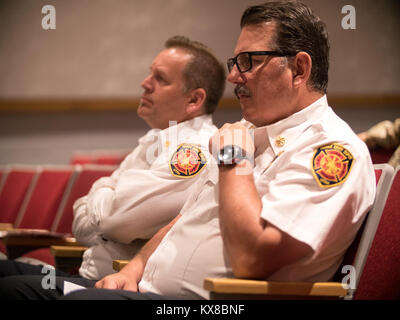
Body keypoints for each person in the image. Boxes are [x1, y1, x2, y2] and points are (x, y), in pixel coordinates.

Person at [8, 1, 378, 300]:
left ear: (299, 68)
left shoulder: (331, 150)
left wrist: (235, 160)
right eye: (236, 63)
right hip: (142, 289)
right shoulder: (247, 132)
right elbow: (183, 219)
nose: (234, 76)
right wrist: (136, 268)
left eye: (248, 61)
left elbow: (253, 258)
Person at [0, 35, 226, 299]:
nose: (145, 83)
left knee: (10, 289)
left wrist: (105, 191)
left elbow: (114, 222)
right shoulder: (153, 140)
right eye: (149, 74)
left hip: (121, 287)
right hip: (92, 277)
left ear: (194, 100)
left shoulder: (194, 151)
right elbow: (81, 226)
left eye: (160, 79)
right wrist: (108, 195)